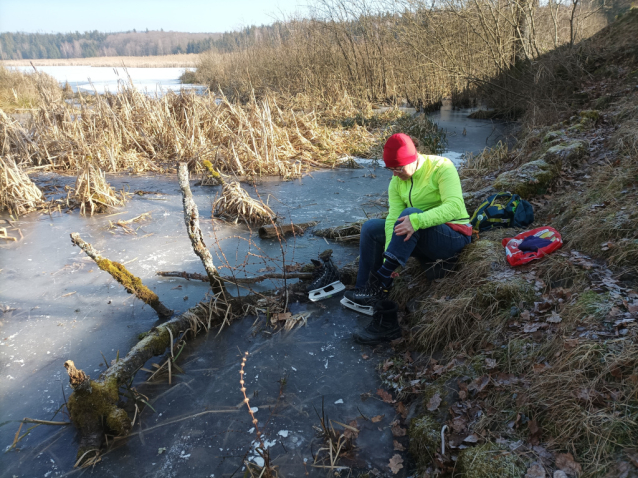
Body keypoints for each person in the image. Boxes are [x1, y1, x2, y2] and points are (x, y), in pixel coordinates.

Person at [342, 133, 472, 322]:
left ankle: (382, 284)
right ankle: (366, 290)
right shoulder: (396, 181)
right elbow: (392, 219)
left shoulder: (442, 166)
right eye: (391, 169)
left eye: (398, 168)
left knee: (410, 213)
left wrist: (417, 220)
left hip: (453, 236)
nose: (395, 174)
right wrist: (389, 253)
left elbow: (453, 207)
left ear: (413, 158)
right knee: (371, 228)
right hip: (419, 236)